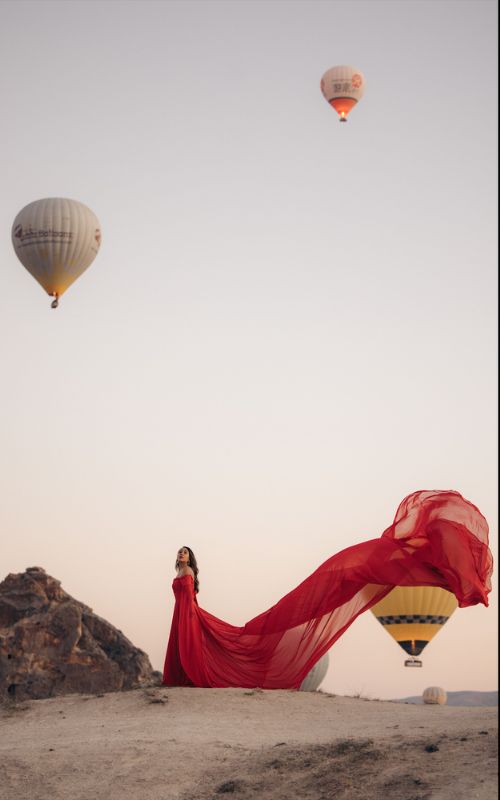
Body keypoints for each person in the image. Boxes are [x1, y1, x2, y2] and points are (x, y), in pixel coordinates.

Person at [162, 489, 493, 690]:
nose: (182, 556)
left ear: (191, 559)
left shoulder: (187, 572)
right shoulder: (182, 571)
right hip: (187, 614)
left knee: (349, 575)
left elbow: (187, 595)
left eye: (185, 553)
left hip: (189, 614)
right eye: (180, 553)